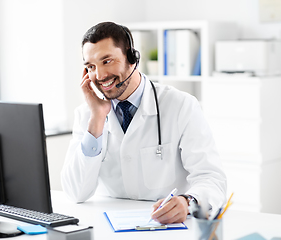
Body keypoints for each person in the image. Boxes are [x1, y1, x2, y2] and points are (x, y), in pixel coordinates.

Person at [61, 21, 227, 224]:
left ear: (132, 58)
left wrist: (188, 201)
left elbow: (211, 178)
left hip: (167, 228)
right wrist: (96, 120)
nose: (100, 75)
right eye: (91, 67)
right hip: (109, 228)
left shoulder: (181, 105)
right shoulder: (87, 115)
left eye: (107, 61)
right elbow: (74, 192)